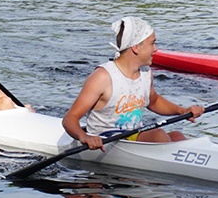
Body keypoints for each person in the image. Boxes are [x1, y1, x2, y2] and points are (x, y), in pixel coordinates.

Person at [62, 17, 205, 150]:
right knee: (158, 135)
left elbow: (153, 101)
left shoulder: (145, 72)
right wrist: (84, 137)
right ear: (136, 47)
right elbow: (70, 118)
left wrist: (183, 111)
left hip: (133, 134)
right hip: (107, 140)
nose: (155, 49)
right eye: (152, 43)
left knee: (177, 136)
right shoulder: (103, 77)